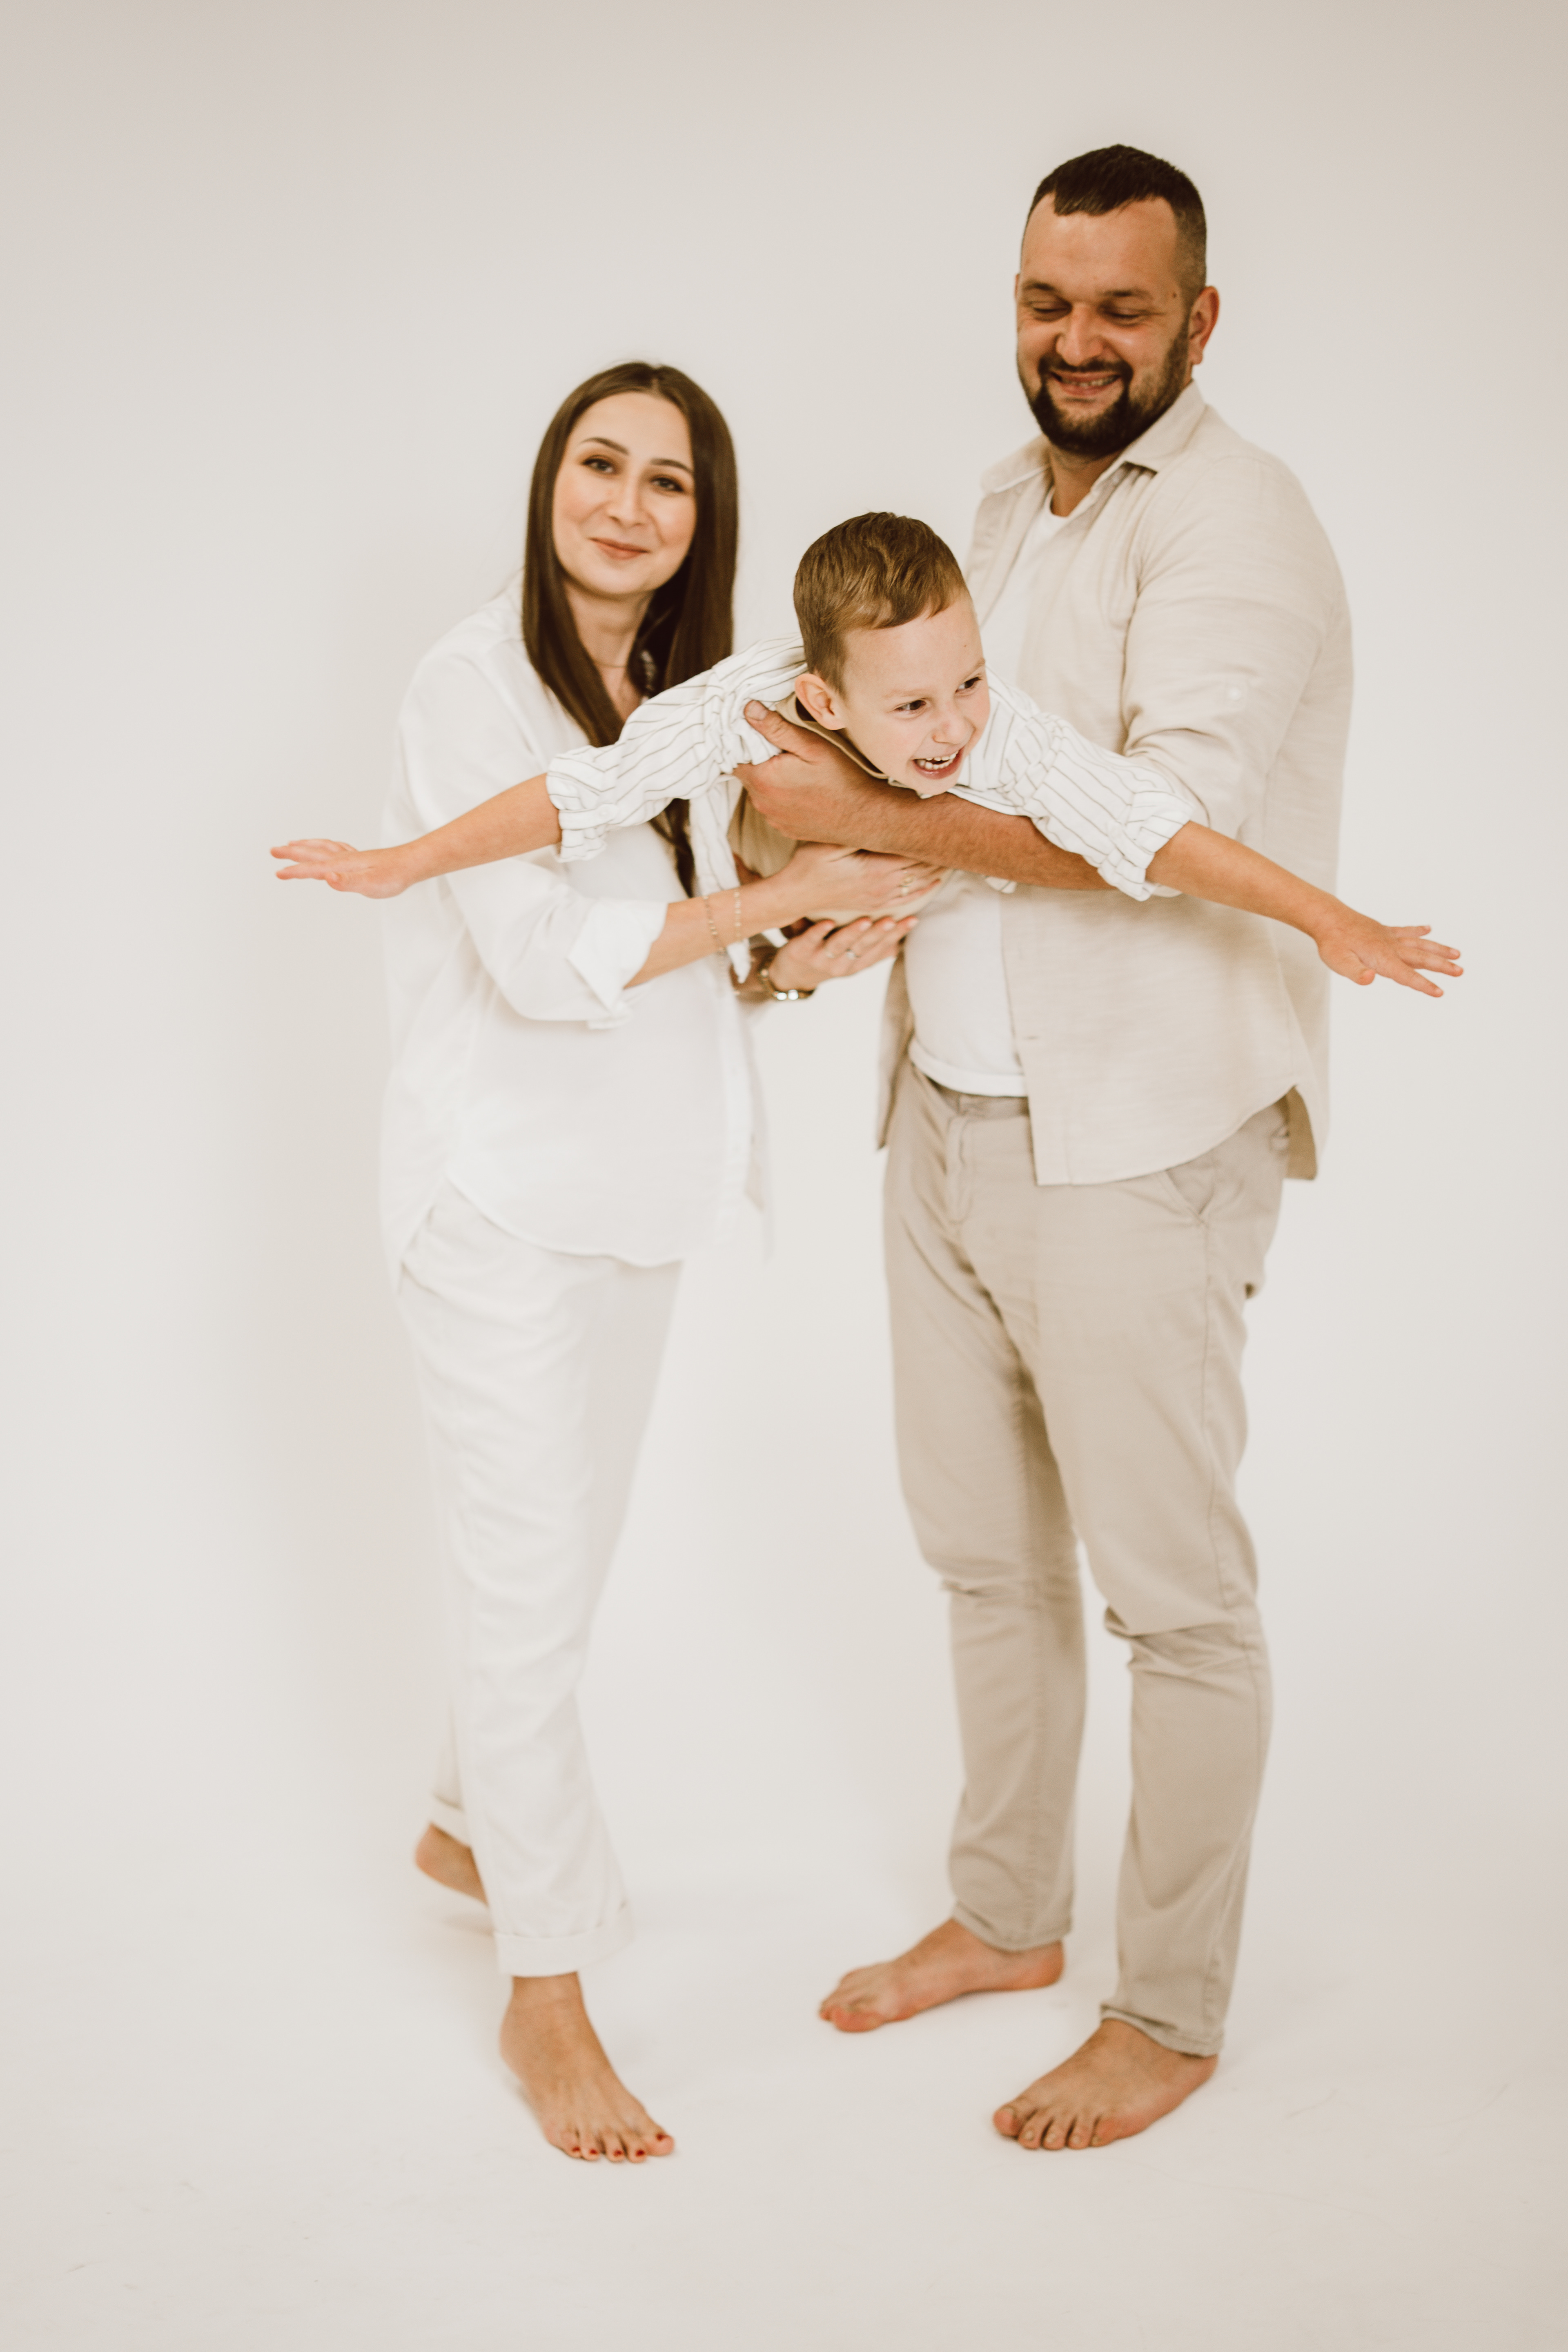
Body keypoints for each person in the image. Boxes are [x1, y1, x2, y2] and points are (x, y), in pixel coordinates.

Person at [717, 144, 1414, 2153]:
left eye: (1122, 306)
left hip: (1135, 1145)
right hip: (944, 1123)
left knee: (1173, 1602)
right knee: (984, 1564)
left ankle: (1169, 2012)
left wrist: (855, 818)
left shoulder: (1240, 526)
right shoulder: (1000, 508)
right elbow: (911, 771)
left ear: (1200, 320)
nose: (1078, 340)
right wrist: (796, 900)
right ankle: (1009, 1917)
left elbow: (1143, 830)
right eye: (1047, 300)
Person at [296, 362, 933, 2166]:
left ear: (700, 523)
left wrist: (790, 958)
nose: (627, 505)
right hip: (496, 1204)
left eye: (669, 481)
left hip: (637, 1197)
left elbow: (688, 954)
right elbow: (533, 956)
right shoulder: (467, 683)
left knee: (556, 1574)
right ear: (550, 480)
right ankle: (548, 1991)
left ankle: (464, 1825)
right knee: (521, 1601)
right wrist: (776, 902)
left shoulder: (690, 699)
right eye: (601, 463)